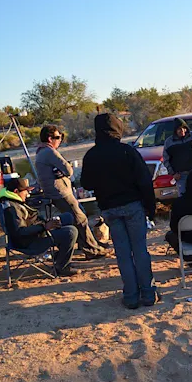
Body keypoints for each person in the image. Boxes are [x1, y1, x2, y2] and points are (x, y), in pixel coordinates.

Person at [81, 113, 158, 309]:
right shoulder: (127, 151)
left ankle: (131, 296)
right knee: (139, 250)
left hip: (110, 209)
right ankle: (148, 294)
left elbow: (86, 183)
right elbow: (144, 181)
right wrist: (150, 208)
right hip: (133, 206)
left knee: (123, 254)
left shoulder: (91, 155)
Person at [35, 124, 106, 260]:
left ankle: (89, 245)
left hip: (54, 192)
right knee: (80, 219)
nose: (60, 140)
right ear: (50, 139)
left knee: (77, 217)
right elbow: (68, 170)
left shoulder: (40, 152)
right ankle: (92, 250)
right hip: (60, 192)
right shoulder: (50, 152)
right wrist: (64, 170)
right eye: (58, 137)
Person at [0, 178, 79, 277]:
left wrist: (45, 222)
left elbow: (28, 221)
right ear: (16, 191)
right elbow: (19, 232)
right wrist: (44, 227)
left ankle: (60, 258)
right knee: (71, 232)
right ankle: (62, 267)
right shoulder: (11, 209)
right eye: (26, 191)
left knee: (68, 217)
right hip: (29, 243)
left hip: (35, 234)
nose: (28, 194)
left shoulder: (15, 201)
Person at [162, 118, 192, 196]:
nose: (182, 130)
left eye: (184, 128)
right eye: (179, 129)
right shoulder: (169, 142)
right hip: (181, 176)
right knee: (184, 197)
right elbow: (166, 160)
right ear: (175, 130)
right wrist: (173, 174)